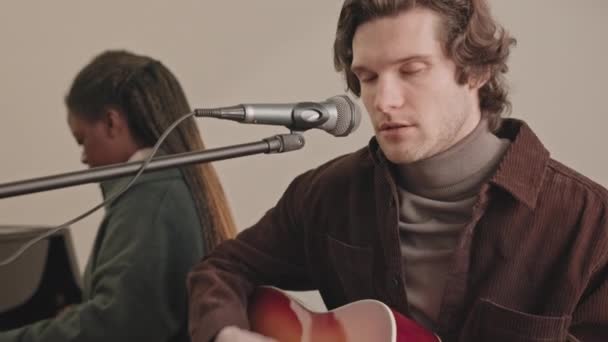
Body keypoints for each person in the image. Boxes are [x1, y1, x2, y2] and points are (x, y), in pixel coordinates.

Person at [187, 1, 608, 341]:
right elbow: (223, 267)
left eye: (411, 71)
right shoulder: (326, 195)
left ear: (476, 71)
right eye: (367, 77)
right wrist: (226, 333)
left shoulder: (590, 226)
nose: (383, 100)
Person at [0, 50, 237, 341]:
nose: (84, 158)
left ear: (112, 123)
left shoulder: (151, 198)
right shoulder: (168, 185)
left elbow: (117, 326)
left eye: (82, 140)